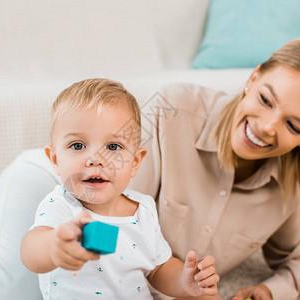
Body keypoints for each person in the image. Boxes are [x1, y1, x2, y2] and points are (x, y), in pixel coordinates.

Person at [128, 37, 300, 300]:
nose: (267, 126)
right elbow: (110, 221)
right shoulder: (168, 109)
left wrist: (269, 291)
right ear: (253, 78)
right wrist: (192, 293)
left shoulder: (290, 186)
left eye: (294, 127)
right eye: (266, 100)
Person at [20, 78, 220, 299]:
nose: (96, 159)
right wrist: (54, 246)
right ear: (55, 160)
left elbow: (158, 268)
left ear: (135, 162)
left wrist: (184, 281)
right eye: (77, 145)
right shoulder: (61, 206)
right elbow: (31, 250)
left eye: (113, 146)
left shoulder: (143, 210)